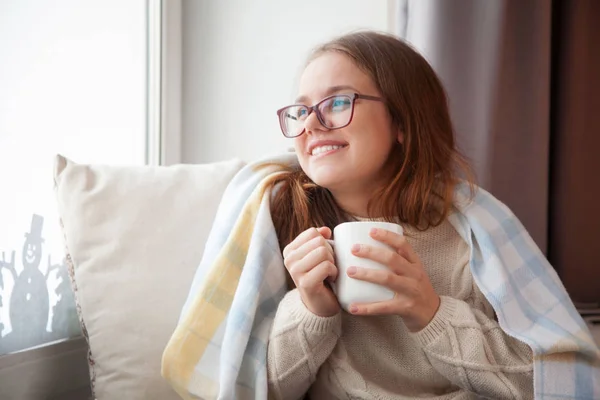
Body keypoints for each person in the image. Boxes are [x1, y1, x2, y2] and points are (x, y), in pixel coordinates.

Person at [264, 31, 535, 399]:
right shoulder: (278, 220)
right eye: (301, 110)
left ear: (403, 122)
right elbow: (262, 389)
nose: (311, 124)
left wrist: (430, 312)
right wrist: (311, 309)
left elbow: (546, 383)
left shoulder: (477, 231)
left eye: (338, 102)